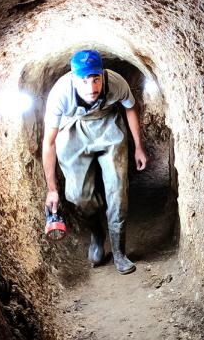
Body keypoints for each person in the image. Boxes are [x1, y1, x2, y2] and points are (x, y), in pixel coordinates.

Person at [42, 50, 148, 274]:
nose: (91, 87)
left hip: (108, 124)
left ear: (102, 74)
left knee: (118, 191)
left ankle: (119, 251)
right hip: (74, 129)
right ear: (74, 78)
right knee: (79, 195)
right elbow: (49, 142)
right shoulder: (61, 94)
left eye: (96, 78)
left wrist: (138, 146)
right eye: (84, 80)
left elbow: (130, 107)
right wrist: (52, 189)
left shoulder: (115, 82)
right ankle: (97, 234)